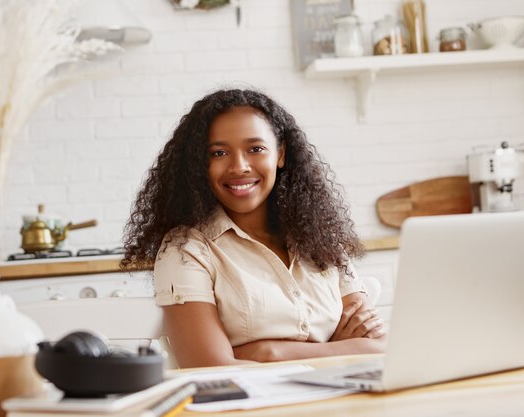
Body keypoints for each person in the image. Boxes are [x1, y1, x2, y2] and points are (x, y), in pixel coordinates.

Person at [122, 88, 386, 368]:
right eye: (219, 152)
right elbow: (209, 368)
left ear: (280, 155)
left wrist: (268, 353)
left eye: (255, 149)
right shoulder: (186, 249)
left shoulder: (319, 236)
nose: (239, 166)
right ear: (200, 165)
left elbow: (378, 345)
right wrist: (342, 348)